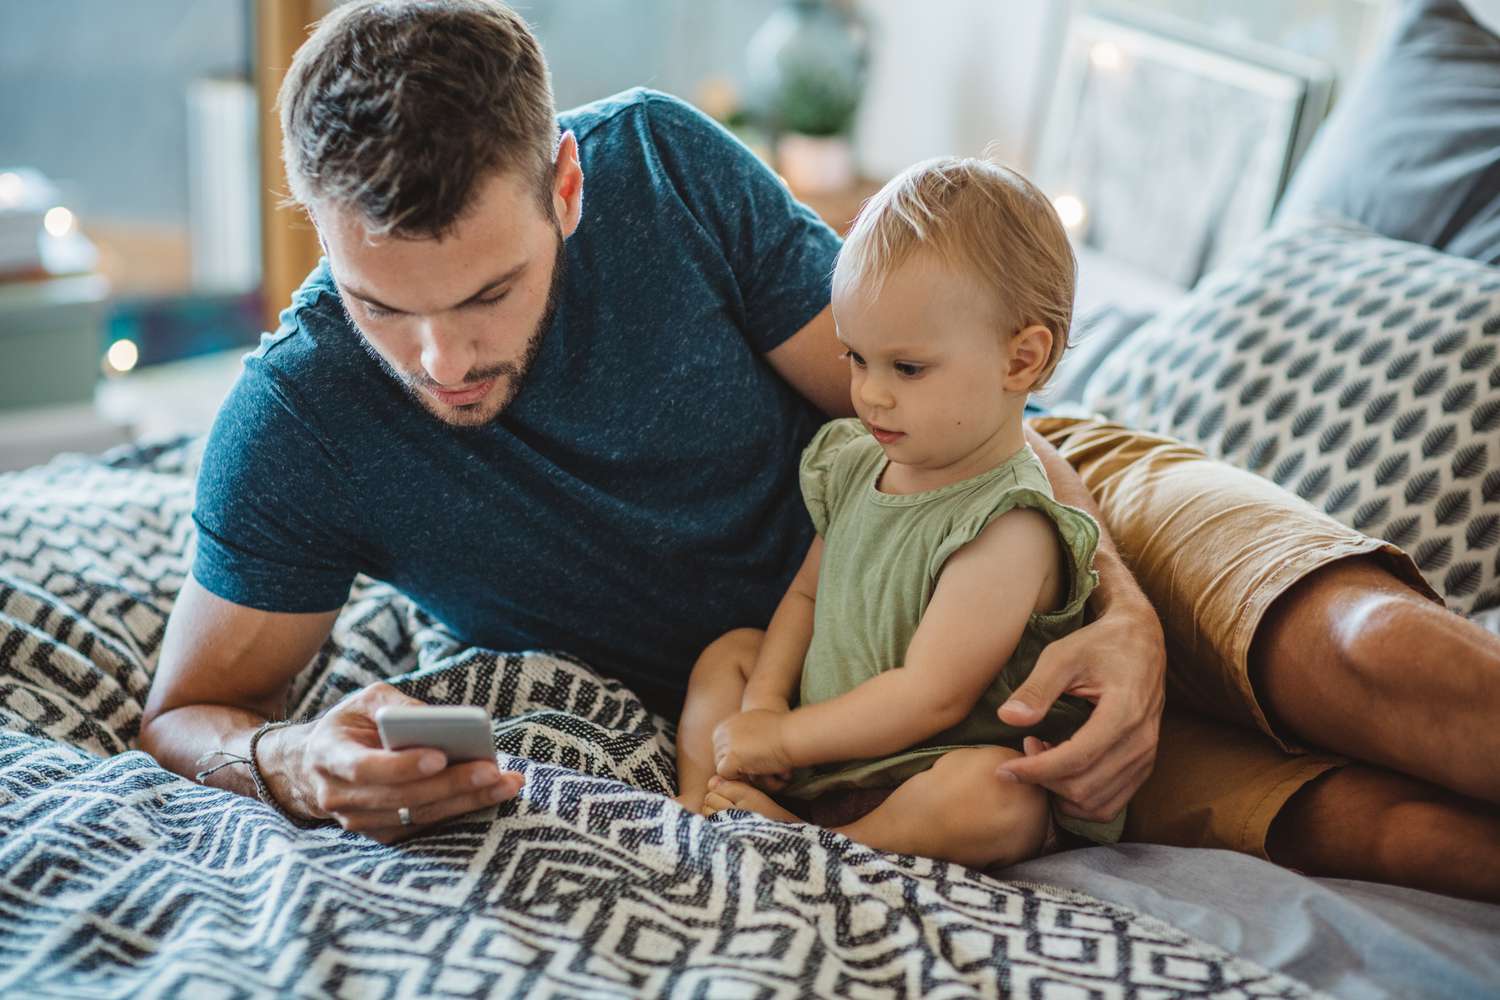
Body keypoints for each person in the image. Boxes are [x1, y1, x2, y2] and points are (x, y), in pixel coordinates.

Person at [134, 0, 1500, 902]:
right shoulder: (299, 423)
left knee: (1373, 660)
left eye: (487, 295)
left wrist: (1126, 611)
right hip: (852, 691)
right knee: (1383, 838)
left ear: (564, 184)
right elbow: (189, 708)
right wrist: (292, 762)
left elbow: (918, 388)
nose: (442, 362)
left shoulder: (663, 169)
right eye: (384, 305)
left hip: (1018, 484)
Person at [673, 158, 1121, 870]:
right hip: (814, 748)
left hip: (916, 770)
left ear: (1021, 361)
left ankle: (832, 849)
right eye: (857, 358)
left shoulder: (1009, 525)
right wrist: (763, 706)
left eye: (906, 369)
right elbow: (807, 594)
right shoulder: (858, 463)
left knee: (999, 797)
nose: (870, 396)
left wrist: (787, 740)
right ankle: (708, 808)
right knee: (727, 653)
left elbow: (931, 698)